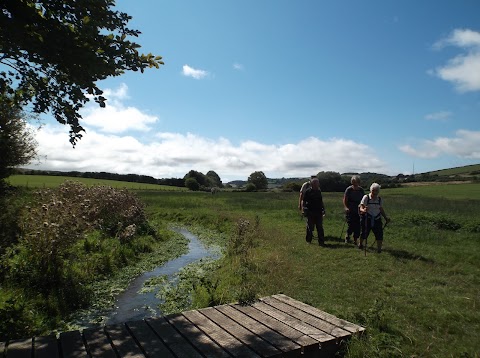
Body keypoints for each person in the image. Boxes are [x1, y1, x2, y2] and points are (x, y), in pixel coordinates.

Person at [358, 183, 390, 253]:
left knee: (379, 234)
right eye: (373, 190)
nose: (374, 192)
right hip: (367, 218)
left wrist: (385, 217)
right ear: (371, 190)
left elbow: (381, 209)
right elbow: (361, 207)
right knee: (364, 233)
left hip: (377, 218)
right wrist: (364, 210)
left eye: (376, 191)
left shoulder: (379, 199)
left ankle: (379, 249)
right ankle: (360, 244)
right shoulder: (366, 197)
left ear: (378, 191)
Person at [302, 178, 326, 245]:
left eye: (318, 183)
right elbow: (303, 201)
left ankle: (321, 242)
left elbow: (321, 201)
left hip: (318, 212)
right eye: (317, 183)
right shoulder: (308, 191)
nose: (318, 184)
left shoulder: (319, 191)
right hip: (310, 212)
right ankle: (308, 240)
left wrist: (323, 209)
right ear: (313, 184)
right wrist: (303, 209)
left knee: (320, 227)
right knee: (310, 227)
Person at [342, 175, 365, 245]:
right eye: (353, 182)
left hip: (359, 210)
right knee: (351, 225)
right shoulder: (349, 189)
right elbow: (345, 199)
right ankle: (347, 236)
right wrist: (346, 207)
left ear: (358, 182)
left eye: (356, 182)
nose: (354, 184)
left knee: (358, 226)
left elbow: (363, 200)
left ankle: (355, 239)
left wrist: (363, 208)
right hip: (351, 209)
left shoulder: (361, 190)